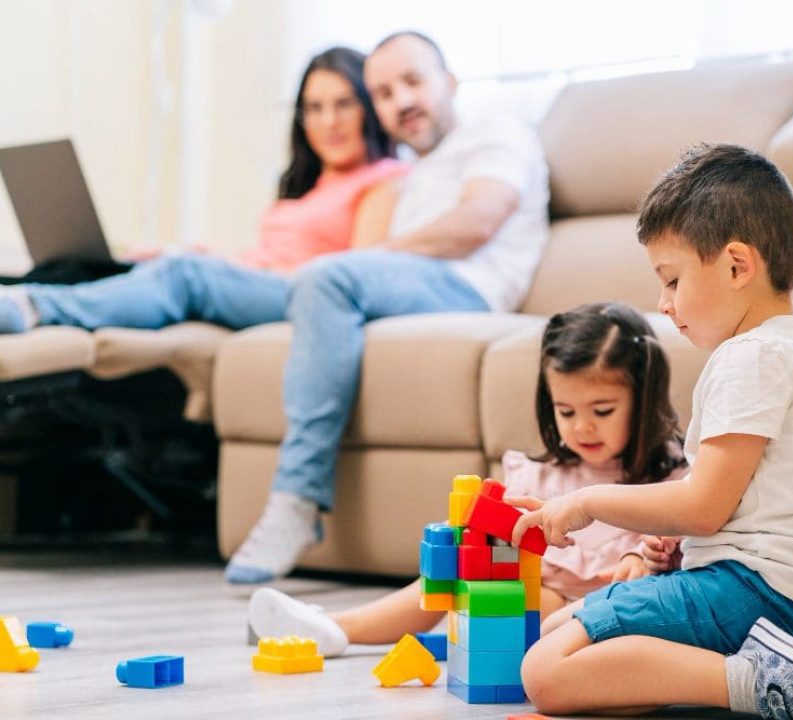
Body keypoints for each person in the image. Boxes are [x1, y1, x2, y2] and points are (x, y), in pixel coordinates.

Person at [508, 144, 793, 719]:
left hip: (756, 595)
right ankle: (756, 679)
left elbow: (702, 507)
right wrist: (680, 545)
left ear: (736, 265)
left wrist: (586, 502)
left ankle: (764, 683)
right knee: (562, 630)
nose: (664, 302)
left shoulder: (751, 358)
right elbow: (739, 504)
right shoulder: (792, 348)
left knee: (545, 671)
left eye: (673, 279)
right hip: (785, 599)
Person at [223, 31, 550, 584]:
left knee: (327, 277)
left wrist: (367, 259)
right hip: (408, 290)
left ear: (448, 82)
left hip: (463, 289)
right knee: (231, 281)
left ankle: (297, 499)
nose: (400, 101)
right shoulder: (417, 168)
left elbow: (477, 222)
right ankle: (49, 304)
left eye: (413, 82)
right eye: (382, 92)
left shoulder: (495, 133)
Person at [245, 302, 687, 656]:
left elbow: (681, 547)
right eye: (565, 411)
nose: (582, 428)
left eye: (602, 411)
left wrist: (647, 559)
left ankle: (337, 629)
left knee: (525, 610)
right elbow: (494, 538)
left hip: (607, 614)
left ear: (644, 399)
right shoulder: (540, 473)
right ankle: (336, 628)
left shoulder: (673, 478)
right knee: (454, 577)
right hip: (542, 594)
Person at [0, 46, 405, 333]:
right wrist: (217, 259)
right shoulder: (309, 186)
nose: (328, 121)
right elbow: (265, 257)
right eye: (314, 108)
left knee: (185, 275)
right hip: (257, 283)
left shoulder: (384, 178)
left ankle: (33, 307)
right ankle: (19, 294)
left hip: (302, 296)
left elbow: (354, 276)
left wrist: (229, 271)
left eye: (343, 104)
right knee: (104, 265)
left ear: (368, 107)